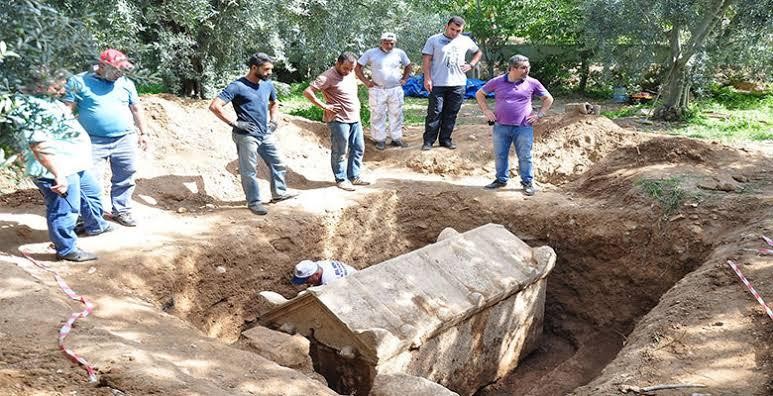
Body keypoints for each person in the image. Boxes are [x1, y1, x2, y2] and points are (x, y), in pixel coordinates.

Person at [16, 75, 112, 261]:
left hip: (73, 164)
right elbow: (38, 146)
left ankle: (95, 225)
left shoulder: (52, 102)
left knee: (91, 192)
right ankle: (66, 249)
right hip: (56, 169)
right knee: (64, 209)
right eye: (58, 83)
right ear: (41, 84)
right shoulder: (31, 109)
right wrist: (58, 175)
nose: (63, 87)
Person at [63, 49, 148, 227]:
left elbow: (136, 108)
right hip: (92, 140)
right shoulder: (78, 82)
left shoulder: (125, 82)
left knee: (126, 175)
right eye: (116, 70)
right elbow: (66, 110)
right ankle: (88, 215)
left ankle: (122, 210)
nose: (120, 74)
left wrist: (144, 133)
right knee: (90, 180)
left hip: (125, 138)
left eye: (122, 70)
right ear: (102, 66)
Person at [209, 52, 297, 216]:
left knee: (277, 162)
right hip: (246, 135)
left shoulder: (267, 84)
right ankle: (254, 202)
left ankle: (279, 193)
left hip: (264, 133)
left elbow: (274, 103)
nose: (269, 72)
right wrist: (234, 123)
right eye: (266, 69)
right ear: (253, 67)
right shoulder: (237, 86)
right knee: (249, 170)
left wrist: (274, 121)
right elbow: (215, 106)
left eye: (271, 69)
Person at [475, 54, 554, 196]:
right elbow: (480, 94)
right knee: (500, 155)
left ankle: (527, 182)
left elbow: (548, 98)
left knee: (525, 156)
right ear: (512, 68)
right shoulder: (497, 81)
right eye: (523, 68)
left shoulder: (532, 83)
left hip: (523, 127)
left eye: (528, 67)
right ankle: (501, 180)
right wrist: (486, 111)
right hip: (500, 127)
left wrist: (539, 115)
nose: (527, 70)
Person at [303, 52, 371, 191]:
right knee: (340, 150)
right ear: (338, 63)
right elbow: (308, 92)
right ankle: (341, 179)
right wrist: (324, 106)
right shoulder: (327, 77)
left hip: (354, 118)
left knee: (358, 148)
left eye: (352, 69)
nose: (349, 71)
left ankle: (354, 176)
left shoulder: (350, 73)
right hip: (339, 119)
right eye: (346, 68)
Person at [421, 16, 482, 151]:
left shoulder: (466, 41)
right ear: (446, 27)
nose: (454, 33)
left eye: (458, 30)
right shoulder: (433, 40)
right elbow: (426, 59)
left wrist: (471, 65)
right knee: (435, 112)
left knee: (451, 113)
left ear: (462, 30)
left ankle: (445, 140)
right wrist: (427, 78)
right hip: (438, 83)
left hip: (458, 83)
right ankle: (429, 141)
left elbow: (478, 52)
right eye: (452, 29)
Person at [354, 32, 412, 150]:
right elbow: (358, 67)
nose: (389, 46)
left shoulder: (400, 53)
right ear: (381, 42)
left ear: (395, 43)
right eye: (386, 43)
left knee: (396, 113)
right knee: (377, 114)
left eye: (391, 43)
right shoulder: (371, 53)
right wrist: (366, 81)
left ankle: (396, 138)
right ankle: (379, 139)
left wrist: (405, 79)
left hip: (395, 89)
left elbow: (408, 65)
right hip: (377, 89)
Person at [291, 259, 357, 286]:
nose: (305, 283)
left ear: (316, 275)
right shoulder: (318, 265)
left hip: (355, 286)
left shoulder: (329, 283)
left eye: (306, 280)